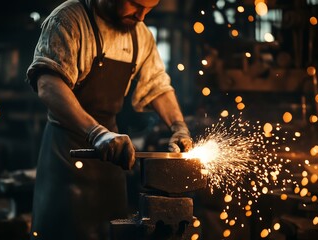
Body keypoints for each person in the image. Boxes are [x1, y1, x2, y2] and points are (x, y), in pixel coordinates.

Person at [25, 0, 192, 239]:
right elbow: (47, 84)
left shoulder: (140, 35)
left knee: (111, 231)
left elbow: (157, 86)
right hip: (66, 154)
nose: (142, 17)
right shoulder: (69, 19)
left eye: (149, 8)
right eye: (135, 5)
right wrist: (96, 133)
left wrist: (179, 127)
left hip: (112, 156)